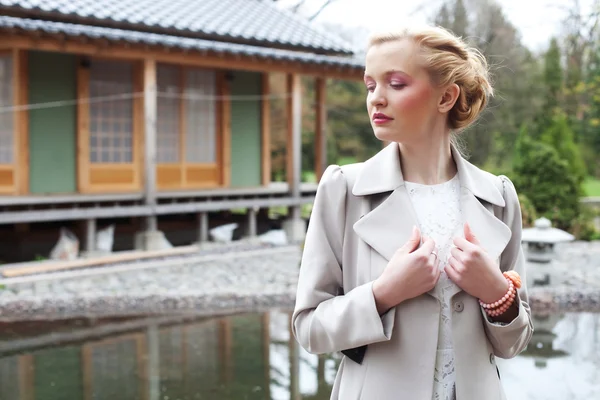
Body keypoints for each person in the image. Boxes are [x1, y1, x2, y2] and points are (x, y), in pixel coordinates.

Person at [291, 25, 534, 400]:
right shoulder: (343, 190)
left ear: (446, 97)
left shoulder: (499, 197)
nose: (376, 99)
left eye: (396, 84)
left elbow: (513, 344)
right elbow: (309, 330)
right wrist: (384, 293)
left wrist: (496, 293)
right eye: (370, 86)